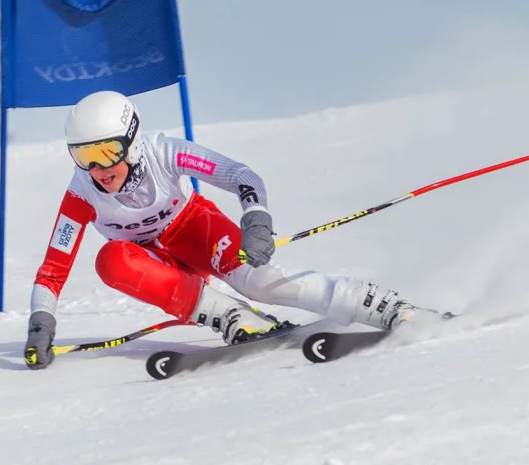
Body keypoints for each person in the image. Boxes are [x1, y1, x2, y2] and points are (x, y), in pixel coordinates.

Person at [24, 90, 416, 370]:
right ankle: (233, 317)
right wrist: (41, 323)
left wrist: (256, 218)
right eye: (83, 156)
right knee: (111, 259)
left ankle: (380, 305)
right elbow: (53, 269)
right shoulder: (80, 194)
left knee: (263, 284)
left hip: (195, 229)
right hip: (154, 264)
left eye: (106, 152)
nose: (97, 170)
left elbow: (240, 175)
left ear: (131, 141)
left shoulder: (165, 152)